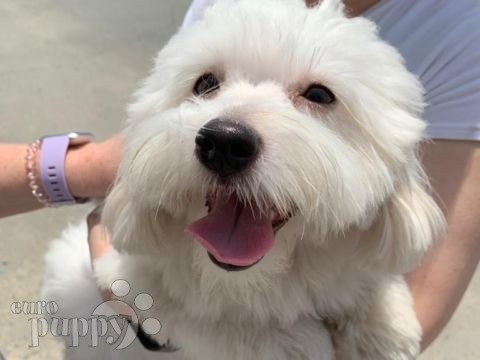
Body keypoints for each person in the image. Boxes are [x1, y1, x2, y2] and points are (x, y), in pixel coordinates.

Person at [0, 0, 479, 353]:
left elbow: (415, 310)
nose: (228, 127)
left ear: (393, 173)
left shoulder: (462, 29)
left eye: (316, 96)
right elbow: (115, 268)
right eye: (208, 85)